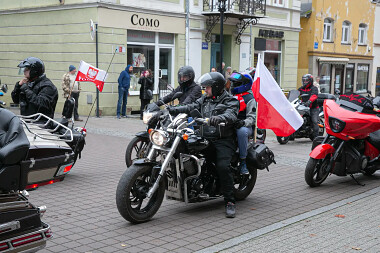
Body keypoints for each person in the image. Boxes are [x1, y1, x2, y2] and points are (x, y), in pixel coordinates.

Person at [167, 72, 239, 218]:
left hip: (222, 140)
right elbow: (191, 106)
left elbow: (231, 114)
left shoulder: (230, 100)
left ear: (217, 87)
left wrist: (217, 118)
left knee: (223, 167)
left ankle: (230, 202)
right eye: (204, 87)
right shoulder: (205, 99)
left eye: (207, 87)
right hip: (205, 137)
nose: (205, 90)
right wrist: (173, 109)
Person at [229, 72, 256, 175]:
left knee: (242, 132)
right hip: (230, 123)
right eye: (233, 83)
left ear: (244, 84)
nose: (233, 86)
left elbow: (252, 118)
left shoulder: (250, 98)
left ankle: (243, 161)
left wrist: (243, 122)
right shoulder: (229, 96)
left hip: (245, 126)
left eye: (236, 84)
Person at [299, 74, 319, 140]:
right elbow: (296, 93)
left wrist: (309, 101)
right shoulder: (301, 88)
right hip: (303, 107)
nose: (305, 82)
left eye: (306, 80)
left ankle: (316, 137)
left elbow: (314, 96)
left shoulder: (314, 88)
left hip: (313, 107)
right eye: (304, 80)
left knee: (314, 121)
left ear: (310, 81)